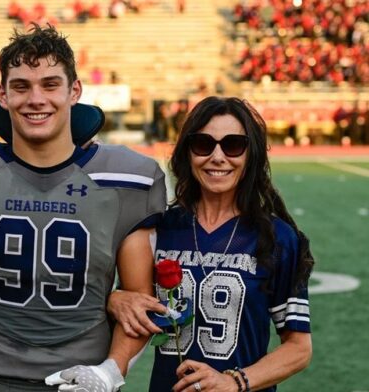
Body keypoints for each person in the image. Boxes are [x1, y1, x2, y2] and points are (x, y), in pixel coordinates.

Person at [0, 24, 166, 392]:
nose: (36, 99)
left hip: (82, 382)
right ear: (1, 94)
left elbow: (137, 302)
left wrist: (110, 371)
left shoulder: (126, 180)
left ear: (74, 91)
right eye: (21, 86)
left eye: (50, 84)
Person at [109, 96, 313, 392]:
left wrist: (234, 382)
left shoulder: (277, 237)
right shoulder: (157, 228)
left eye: (233, 145)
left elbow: (299, 348)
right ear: (187, 152)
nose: (217, 157)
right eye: (203, 144)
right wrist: (113, 300)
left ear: (250, 154)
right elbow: (130, 302)